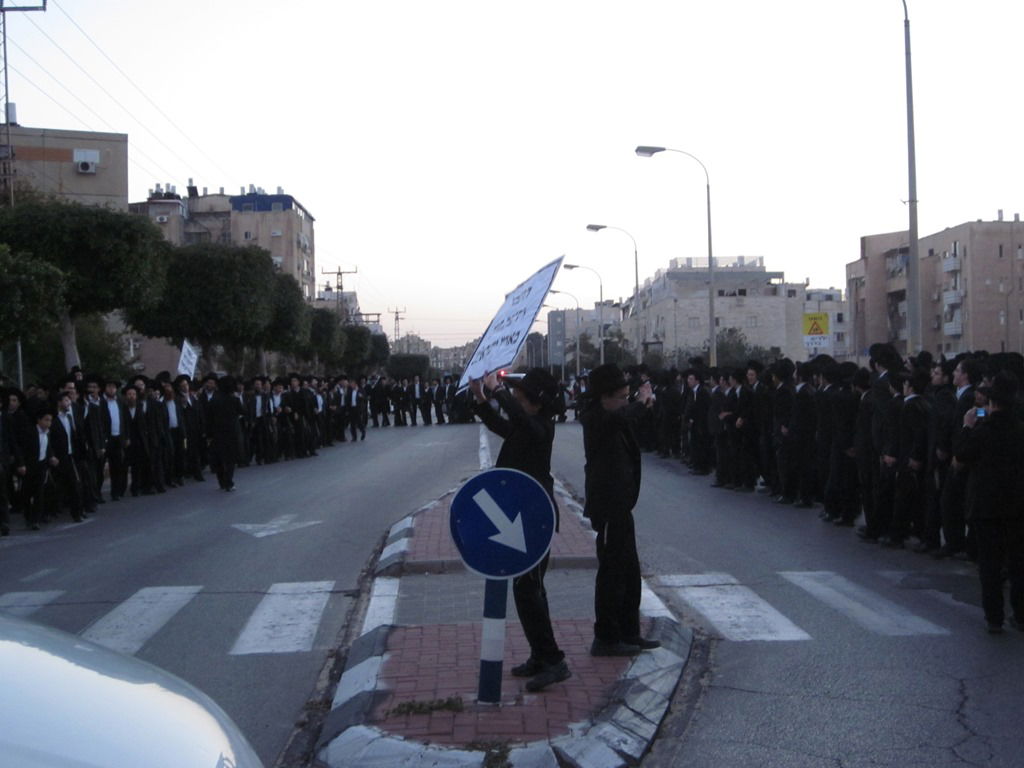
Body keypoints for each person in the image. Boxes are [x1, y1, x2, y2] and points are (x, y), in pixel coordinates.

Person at [470, 367, 570, 693]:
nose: (515, 397)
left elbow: (521, 422)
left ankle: (553, 660)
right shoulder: (526, 427)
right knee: (527, 590)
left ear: (535, 403)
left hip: (533, 517)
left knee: (529, 590)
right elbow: (502, 425)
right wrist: (481, 397)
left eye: (520, 394)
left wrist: (498, 391)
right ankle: (541, 656)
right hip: (520, 516)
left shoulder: (541, 426)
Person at [580, 363, 660, 657]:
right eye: (622, 397)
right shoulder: (596, 418)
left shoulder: (614, 417)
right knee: (612, 573)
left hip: (622, 504)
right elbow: (624, 417)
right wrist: (639, 403)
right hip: (609, 504)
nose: (627, 402)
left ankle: (629, 632)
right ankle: (607, 637)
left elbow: (631, 420)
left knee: (629, 572)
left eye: (629, 396)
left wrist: (645, 405)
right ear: (605, 396)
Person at [953, 371, 1024, 633]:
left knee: (990, 565)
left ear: (992, 405)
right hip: (1017, 504)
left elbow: (961, 456)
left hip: (987, 506)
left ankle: (994, 617)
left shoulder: (983, 430)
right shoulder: (1019, 429)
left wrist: (966, 426)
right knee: (1018, 563)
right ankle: (1020, 613)